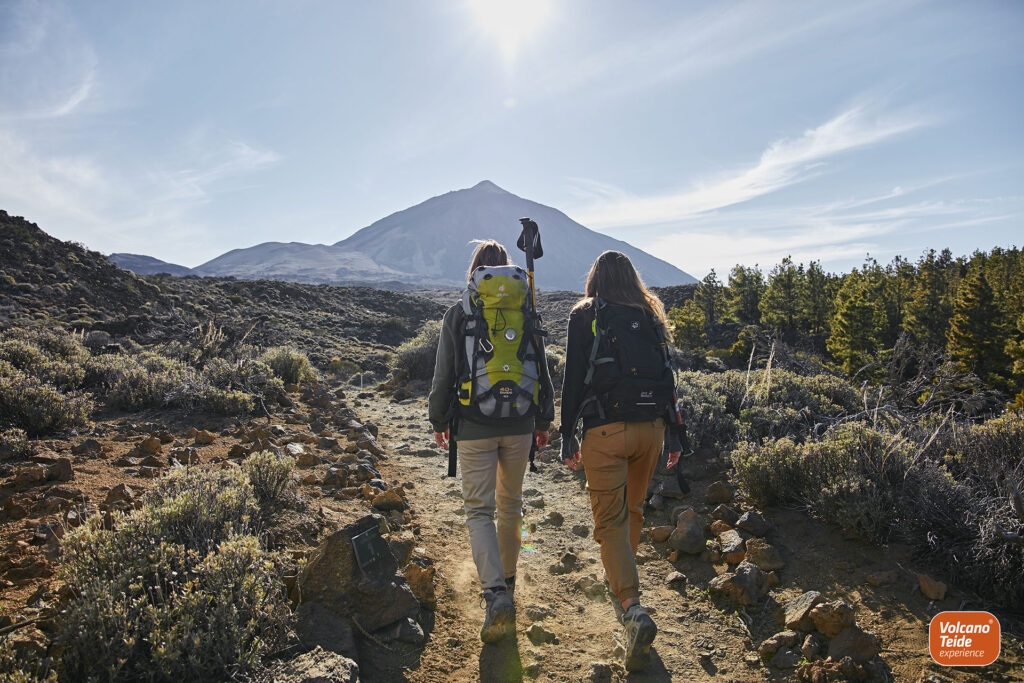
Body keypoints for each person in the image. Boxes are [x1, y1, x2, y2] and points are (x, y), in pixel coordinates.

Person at [559, 250, 683, 671]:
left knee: (608, 521)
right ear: (631, 278)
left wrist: (565, 434)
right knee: (631, 511)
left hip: (605, 430)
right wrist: (677, 435)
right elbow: (669, 377)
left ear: (595, 278)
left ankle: (631, 606)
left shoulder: (586, 313)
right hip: (652, 428)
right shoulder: (649, 314)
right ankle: (624, 590)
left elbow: (573, 376)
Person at [429, 239, 555, 644]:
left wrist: (438, 419)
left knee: (479, 511)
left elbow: (443, 373)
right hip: (519, 423)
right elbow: (543, 365)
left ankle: (494, 595)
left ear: (475, 272)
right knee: (511, 506)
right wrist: (544, 419)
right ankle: (510, 585)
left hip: (472, 424)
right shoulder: (526, 307)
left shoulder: (459, 312)